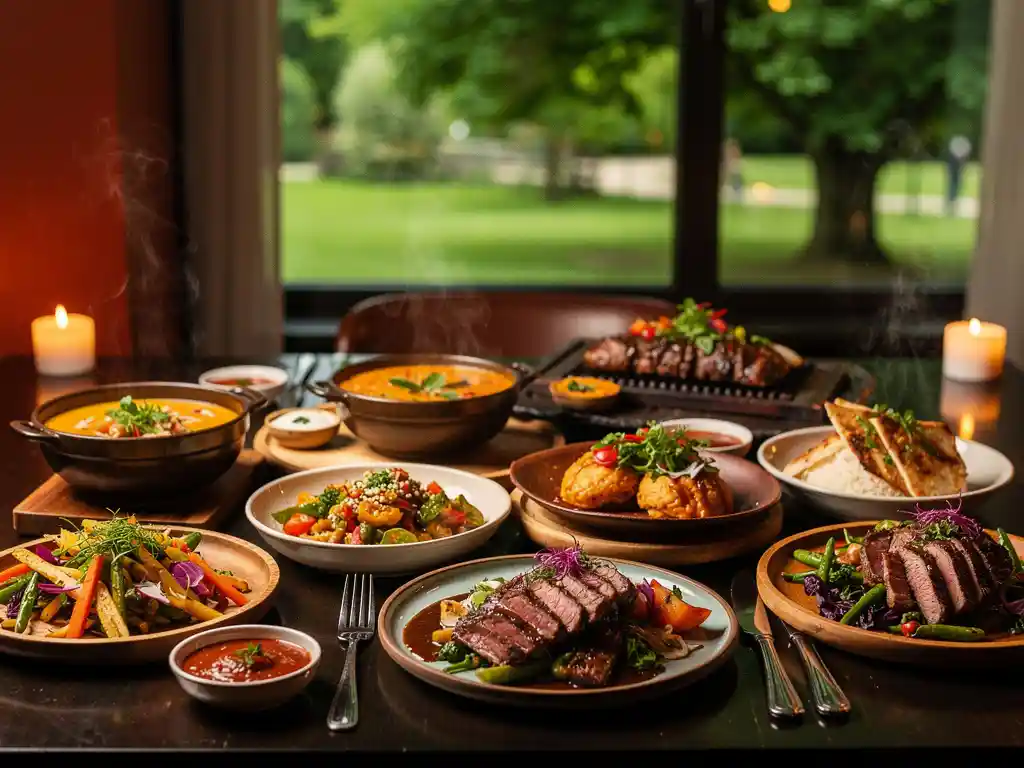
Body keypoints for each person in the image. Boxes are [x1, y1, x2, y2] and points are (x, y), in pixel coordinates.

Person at [946, 135, 972, 215]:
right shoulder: (957, 156)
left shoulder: (955, 155)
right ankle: (952, 202)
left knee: (954, 185)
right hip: (955, 171)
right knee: (954, 186)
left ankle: (952, 201)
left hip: (955, 171)